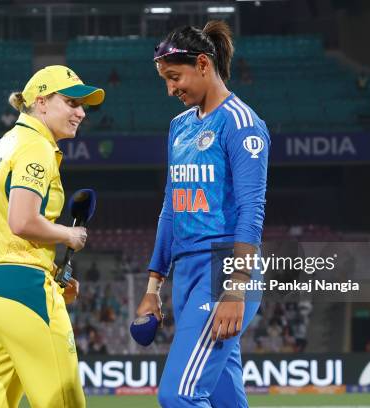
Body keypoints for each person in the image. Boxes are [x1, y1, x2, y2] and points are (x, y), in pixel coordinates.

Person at [136, 21, 270, 407]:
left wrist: (236, 286)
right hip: (187, 273)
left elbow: (251, 209)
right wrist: (152, 288)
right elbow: (170, 207)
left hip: (223, 270)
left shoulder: (242, 125)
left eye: (175, 77)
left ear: (203, 64)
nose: (171, 89)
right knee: (226, 398)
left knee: (179, 396)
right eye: (165, 80)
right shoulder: (178, 127)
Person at [0, 65, 104, 408]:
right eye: (71, 103)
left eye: (83, 105)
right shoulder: (36, 147)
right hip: (21, 290)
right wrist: (69, 235)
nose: (81, 112)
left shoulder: (8, 141)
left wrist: (51, 269)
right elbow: (22, 221)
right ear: (42, 102)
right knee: (64, 399)